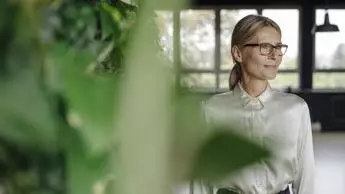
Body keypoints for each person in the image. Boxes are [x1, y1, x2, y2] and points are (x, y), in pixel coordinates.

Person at [202, 14, 315, 194]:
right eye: (265, 47)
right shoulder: (212, 109)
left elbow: (306, 177)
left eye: (278, 47)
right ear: (238, 53)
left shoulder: (296, 109)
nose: (275, 55)